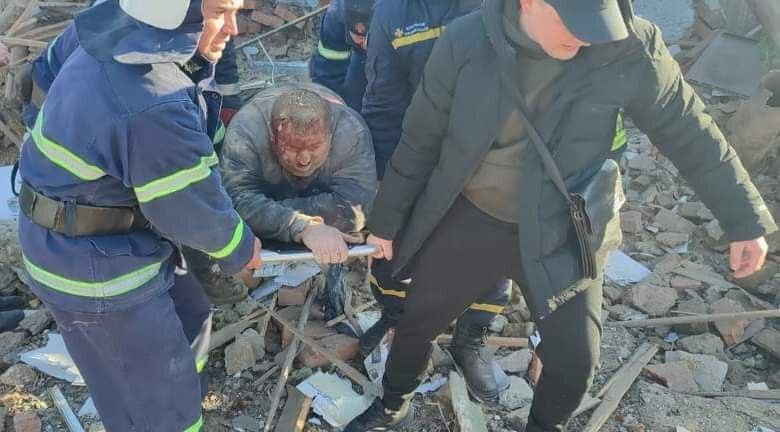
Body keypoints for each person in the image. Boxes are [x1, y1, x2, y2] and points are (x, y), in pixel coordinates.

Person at [346, 0, 777, 431]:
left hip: (563, 227)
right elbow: (420, 139)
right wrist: (386, 222)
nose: (588, 35)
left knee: (576, 358)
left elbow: (689, 131)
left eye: (598, 20)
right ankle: (392, 403)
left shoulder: (630, 43)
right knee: (417, 319)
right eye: (575, 21)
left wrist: (745, 218)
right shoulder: (466, 42)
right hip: (473, 215)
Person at [17, 1, 262, 431]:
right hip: (93, 265)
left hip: (112, 232)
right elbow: (190, 209)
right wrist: (241, 247)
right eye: (220, 12)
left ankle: (181, 400)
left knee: (192, 320)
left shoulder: (115, 27)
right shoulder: (151, 101)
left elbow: (39, 84)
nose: (233, 29)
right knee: (157, 402)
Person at [357, 0, 512, 404]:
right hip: (417, 153)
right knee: (392, 258)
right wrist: (386, 182)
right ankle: (396, 320)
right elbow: (383, 100)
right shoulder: (393, 13)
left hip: (491, 161)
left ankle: (469, 340)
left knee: (491, 261)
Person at [221, 83, 376, 265]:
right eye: (292, 148)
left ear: (330, 136)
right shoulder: (246, 132)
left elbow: (355, 208)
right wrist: (303, 227)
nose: (304, 159)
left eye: (315, 147)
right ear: (273, 138)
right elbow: (235, 204)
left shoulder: (350, 132)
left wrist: (269, 213)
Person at [310, 0, 374, 112]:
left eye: (368, 39)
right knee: (351, 103)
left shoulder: (399, 15)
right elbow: (327, 73)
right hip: (360, 56)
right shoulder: (335, 16)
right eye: (359, 40)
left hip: (398, 51)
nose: (364, 44)